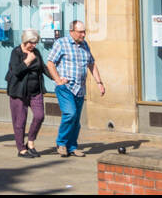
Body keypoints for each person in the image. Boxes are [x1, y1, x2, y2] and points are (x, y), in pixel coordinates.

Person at [45, 20, 105, 157]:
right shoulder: (61, 43)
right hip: (65, 87)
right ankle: (61, 143)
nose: (83, 35)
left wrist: (99, 83)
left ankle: (72, 146)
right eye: (80, 32)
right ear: (71, 31)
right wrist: (58, 80)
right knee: (70, 114)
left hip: (80, 88)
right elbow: (50, 63)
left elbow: (92, 64)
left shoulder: (85, 45)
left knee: (76, 120)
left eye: (84, 32)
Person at [6, 29, 47, 158]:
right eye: (31, 43)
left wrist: (57, 79)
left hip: (36, 91)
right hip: (19, 92)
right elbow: (16, 71)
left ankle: (30, 142)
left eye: (35, 43)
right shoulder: (16, 52)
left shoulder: (36, 52)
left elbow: (43, 68)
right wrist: (28, 61)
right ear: (25, 41)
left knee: (39, 116)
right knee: (20, 121)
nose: (33, 46)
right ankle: (21, 149)